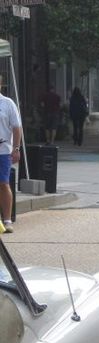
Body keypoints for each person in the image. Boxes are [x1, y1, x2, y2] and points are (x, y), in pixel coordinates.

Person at [0, 75, 22, 233]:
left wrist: (16, 148)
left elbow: (16, 126)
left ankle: (7, 220)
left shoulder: (8, 103)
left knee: (3, 184)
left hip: (3, 151)